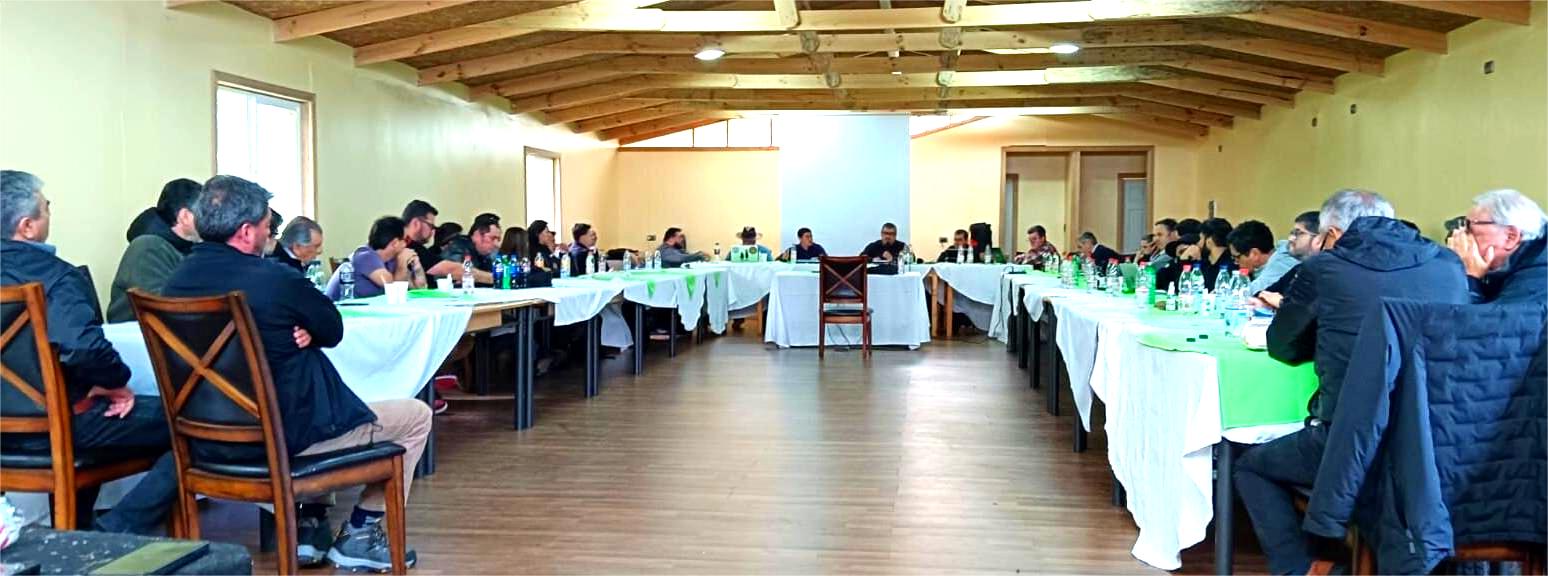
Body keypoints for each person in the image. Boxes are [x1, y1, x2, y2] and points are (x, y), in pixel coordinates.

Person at [162, 175, 430, 571]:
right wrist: (307, 331)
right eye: (267, 227)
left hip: (204, 440)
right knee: (414, 416)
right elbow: (332, 329)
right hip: (283, 438)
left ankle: (310, 524)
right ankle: (360, 532)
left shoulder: (175, 284)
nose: (270, 236)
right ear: (247, 231)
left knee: (315, 398)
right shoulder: (275, 280)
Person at [1237, 189, 1467, 576]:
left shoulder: (1326, 268)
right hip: (1437, 440)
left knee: (1250, 467)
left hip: (1350, 438)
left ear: (1332, 234)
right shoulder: (1447, 264)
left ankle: (1302, 569)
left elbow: (1282, 345)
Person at [0, 170, 175, 536]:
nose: (50, 213)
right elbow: (81, 347)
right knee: (190, 420)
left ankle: (76, 532)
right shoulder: (57, 277)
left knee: (88, 408)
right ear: (27, 226)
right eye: (46, 208)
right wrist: (116, 382)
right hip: (58, 426)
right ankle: (116, 528)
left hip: (12, 428)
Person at [106, 178, 202, 323]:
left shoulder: (187, 247)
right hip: (138, 333)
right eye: (205, 213)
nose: (211, 220)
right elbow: (163, 307)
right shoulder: (146, 248)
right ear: (185, 217)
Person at [1447, 188, 1547, 303]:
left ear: (1510, 237)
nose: (1458, 237)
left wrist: (1470, 280)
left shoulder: (1539, 279)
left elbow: (1494, 314)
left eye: (1469, 228)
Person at [325, 216, 423, 300]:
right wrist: (402, 264)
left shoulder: (392, 259)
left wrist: (417, 267)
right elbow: (393, 289)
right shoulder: (364, 256)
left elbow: (420, 289)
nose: (407, 245)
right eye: (407, 239)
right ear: (395, 243)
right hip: (341, 312)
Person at [1254, 211, 1321, 307]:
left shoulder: (1328, 275)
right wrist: (1261, 301)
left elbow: (1312, 311)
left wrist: (1282, 303)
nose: (1291, 238)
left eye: (1298, 233)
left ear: (1319, 239)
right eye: (1292, 233)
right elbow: (1265, 294)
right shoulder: (1298, 269)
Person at [401, 199, 463, 279]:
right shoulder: (410, 246)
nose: (432, 231)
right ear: (416, 223)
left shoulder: (398, 241)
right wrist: (479, 275)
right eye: (431, 226)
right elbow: (449, 269)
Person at [440, 212, 500, 285]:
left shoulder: (486, 254)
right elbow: (456, 272)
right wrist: (496, 278)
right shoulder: (458, 247)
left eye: (498, 239)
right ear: (477, 235)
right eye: (492, 238)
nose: (497, 244)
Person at [1226, 220, 1286, 292]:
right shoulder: (1279, 256)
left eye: (1237, 257)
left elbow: (1244, 294)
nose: (1236, 262)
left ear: (1254, 254)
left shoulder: (1277, 269)